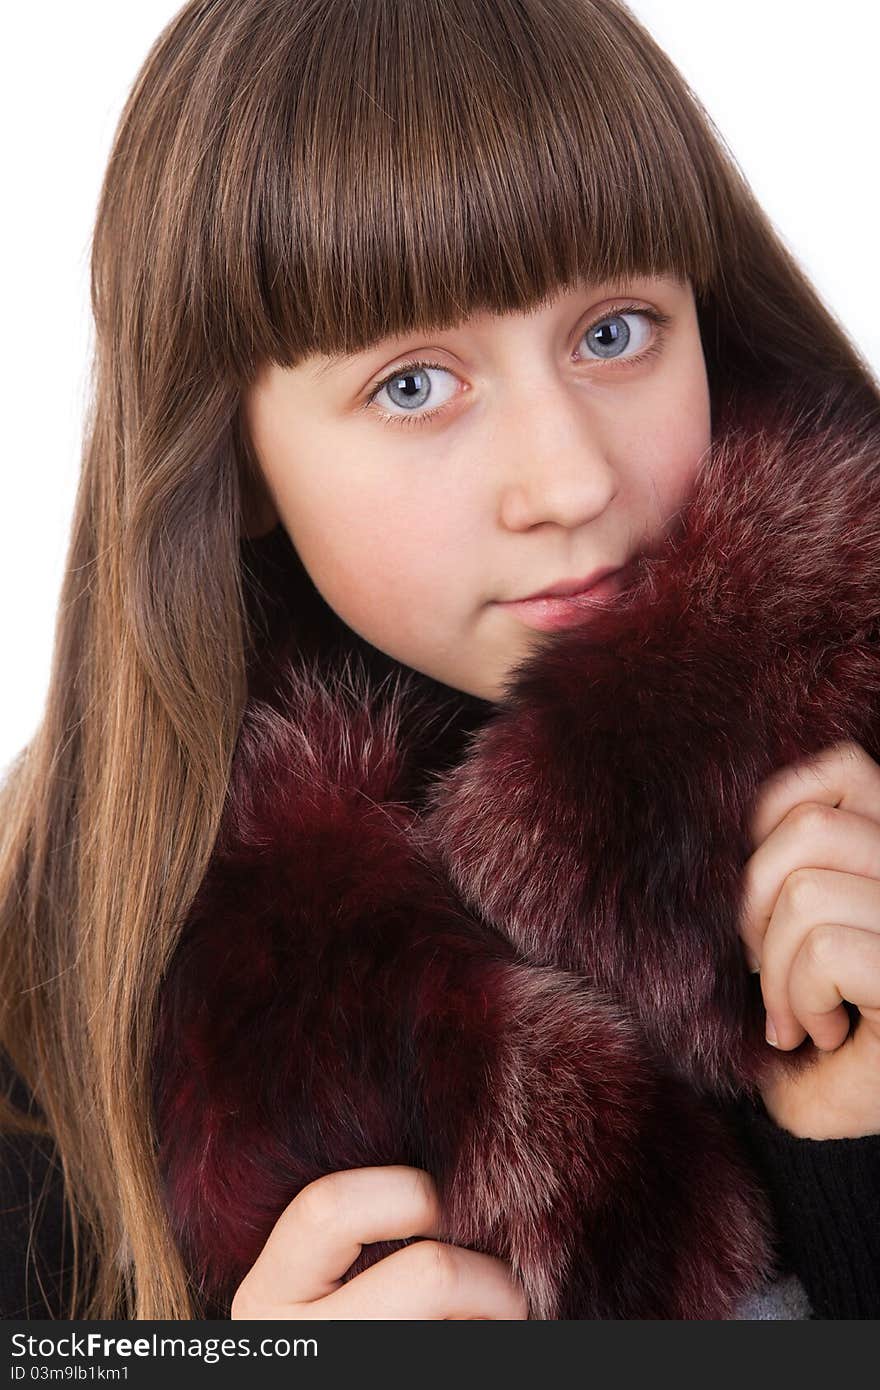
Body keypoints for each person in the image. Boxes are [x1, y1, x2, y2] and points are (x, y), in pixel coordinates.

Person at [1, 0, 879, 1322]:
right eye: (415, 384)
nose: (570, 478)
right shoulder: (61, 996)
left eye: (614, 331)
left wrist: (854, 1146)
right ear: (235, 462)